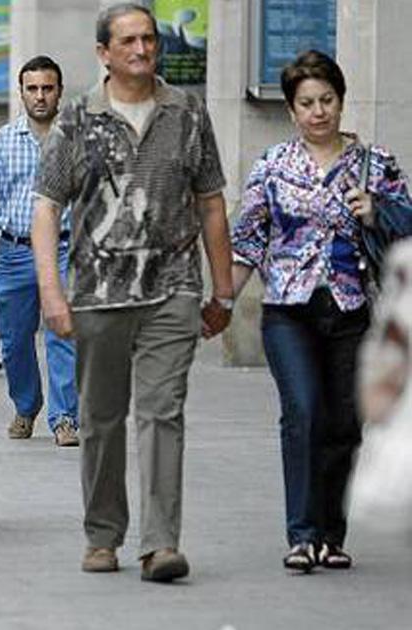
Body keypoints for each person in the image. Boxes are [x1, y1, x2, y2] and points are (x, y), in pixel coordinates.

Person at [30, 3, 233, 581]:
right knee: (100, 420)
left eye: (148, 39)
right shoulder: (76, 118)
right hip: (96, 294)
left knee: (162, 413)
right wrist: (52, 293)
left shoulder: (187, 112)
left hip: (172, 290)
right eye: (128, 41)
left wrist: (222, 291)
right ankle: (103, 535)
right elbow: (47, 210)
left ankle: (161, 543)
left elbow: (211, 201)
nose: (142, 49)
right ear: (104, 53)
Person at [229, 50, 411, 572]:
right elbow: (248, 240)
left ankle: (332, 535)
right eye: (306, 103)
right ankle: (302, 534)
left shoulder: (375, 164)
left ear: (341, 102)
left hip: (352, 309)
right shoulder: (273, 166)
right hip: (289, 309)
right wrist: (219, 302)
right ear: (291, 110)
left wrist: (377, 210)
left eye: (326, 100)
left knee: (344, 424)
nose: (318, 112)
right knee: (303, 413)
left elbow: (407, 226)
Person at [0, 56, 79, 447]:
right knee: (14, 339)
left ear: (59, 92)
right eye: (32, 88)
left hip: (66, 249)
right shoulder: (1, 141)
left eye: (47, 88)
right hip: (15, 252)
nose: (39, 96)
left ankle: (65, 416)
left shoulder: (76, 139)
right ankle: (26, 405)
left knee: (63, 334)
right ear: (21, 93)